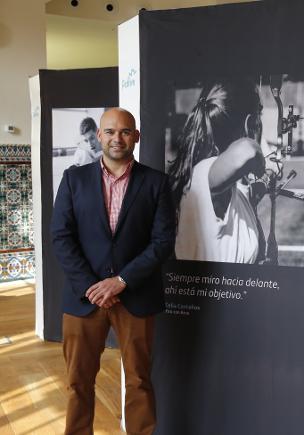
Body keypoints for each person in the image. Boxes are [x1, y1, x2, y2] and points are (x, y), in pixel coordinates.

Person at [51, 108, 176, 434]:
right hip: (84, 298)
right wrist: (93, 286)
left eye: (124, 131)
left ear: (136, 136)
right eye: (109, 131)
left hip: (136, 296)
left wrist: (120, 281)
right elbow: (60, 237)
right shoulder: (73, 180)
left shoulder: (157, 183)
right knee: (78, 383)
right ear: (99, 136)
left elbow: (162, 242)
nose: (116, 138)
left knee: (138, 381)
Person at [169, 78, 267, 263]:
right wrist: (263, 167)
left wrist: (253, 195)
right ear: (250, 123)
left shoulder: (214, 179)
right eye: (258, 119)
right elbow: (248, 150)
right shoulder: (203, 172)